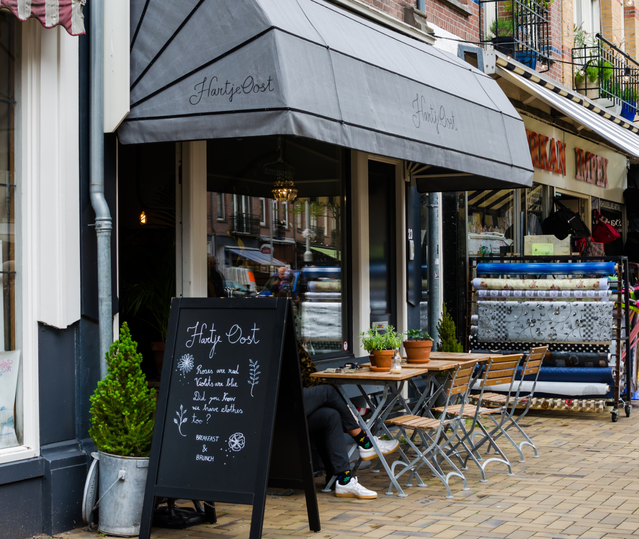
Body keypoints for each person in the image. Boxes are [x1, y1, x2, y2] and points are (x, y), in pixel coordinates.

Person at [298, 342, 399, 499]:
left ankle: (343, 480)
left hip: (297, 407)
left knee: (331, 416)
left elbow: (309, 376)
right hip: (277, 409)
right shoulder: (268, 341)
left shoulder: (290, 343)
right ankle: (365, 443)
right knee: (329, 392)